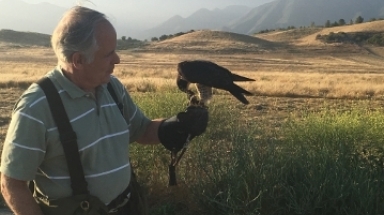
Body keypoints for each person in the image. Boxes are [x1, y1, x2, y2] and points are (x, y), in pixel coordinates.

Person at [0, 6, 208, 215]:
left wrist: (177, 125)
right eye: (108, 54)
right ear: (78, 60)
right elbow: (11, 184)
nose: (117, 59)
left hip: (128, 206)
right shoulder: (36, 107)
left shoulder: (111, 87)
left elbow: (141, 130)